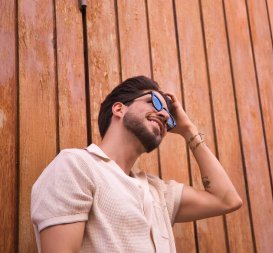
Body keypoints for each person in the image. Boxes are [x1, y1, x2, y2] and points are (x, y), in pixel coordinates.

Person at [31, 76, 242, 252]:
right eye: (155, 103)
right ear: (119, 109)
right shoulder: (76, 165)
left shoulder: (157, 192)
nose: (164, 114)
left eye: (169, 118)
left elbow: (226, 199)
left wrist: (188, 129)